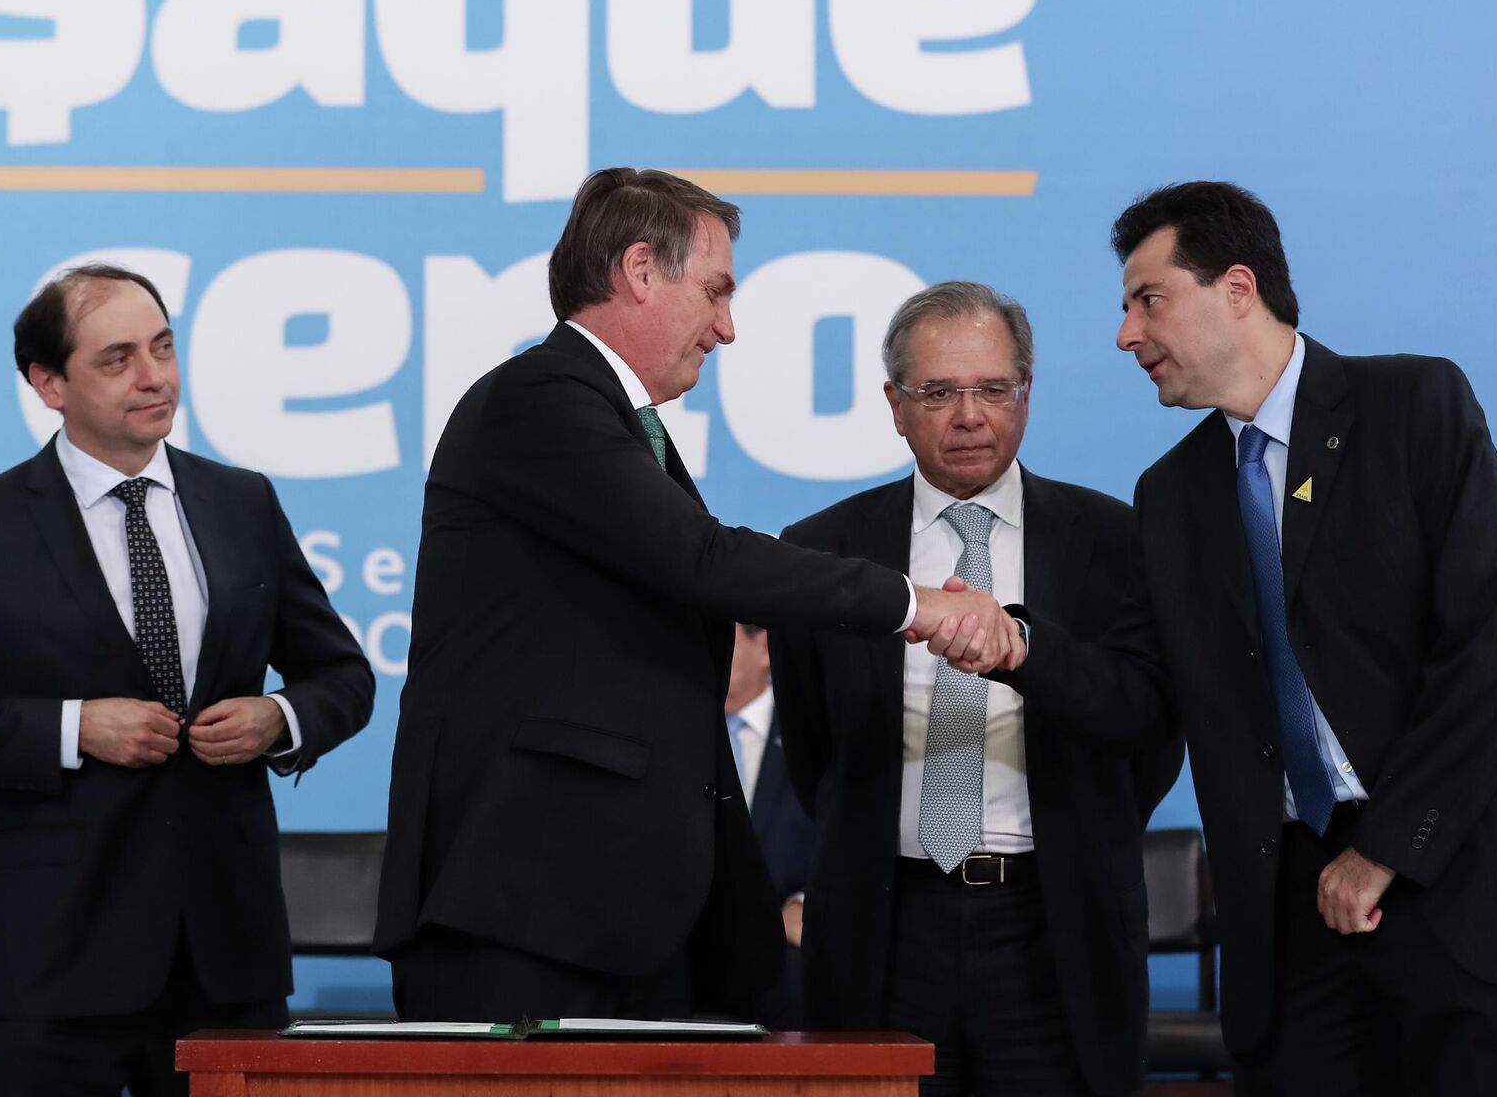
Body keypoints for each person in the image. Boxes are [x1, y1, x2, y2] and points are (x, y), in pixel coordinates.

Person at [997, 182, 1497, 1095]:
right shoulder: (1172, 495)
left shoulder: (1414, 404)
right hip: (1298, 914)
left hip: (1467, 876)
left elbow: (1492, 652)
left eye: (1148, 300)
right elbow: (1144, 693)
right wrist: (1018, 645)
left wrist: (1385, 850)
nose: (1125, 336)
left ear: (1235, 288)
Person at [374, 167, 1020, 1022]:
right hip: (524, 903)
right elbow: (701, 559)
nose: (727, 328)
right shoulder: (540, 399)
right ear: (640, 271)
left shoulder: (617, 424)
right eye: (715, 292)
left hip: (603, 903)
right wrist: (919, 605)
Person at [0, 265, 376, 1096]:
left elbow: (341, 674)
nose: (155, 376)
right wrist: (72, 728)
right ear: (47, 383)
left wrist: (279, 718)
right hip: (48, 960)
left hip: (224, 957)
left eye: (163, 347)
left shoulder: (241, 501)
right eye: (118, 358)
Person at [768, 281, 1183, 1096]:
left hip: (1054, 926)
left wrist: (1023, 651)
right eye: (939, 392)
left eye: (993, 389)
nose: (969, 415)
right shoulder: (823, 551)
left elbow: (1147, 726)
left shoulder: (1116, 541)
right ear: (895, 404)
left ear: (1025, 395)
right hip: (887, 928)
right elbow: (817, 747)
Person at [724, 622, 812, 1029]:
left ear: (765, 649)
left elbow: (845, 833)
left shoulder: (809, 729)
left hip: (785, 965)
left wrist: (805, 903)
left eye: (723, 633)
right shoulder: (677, 727)